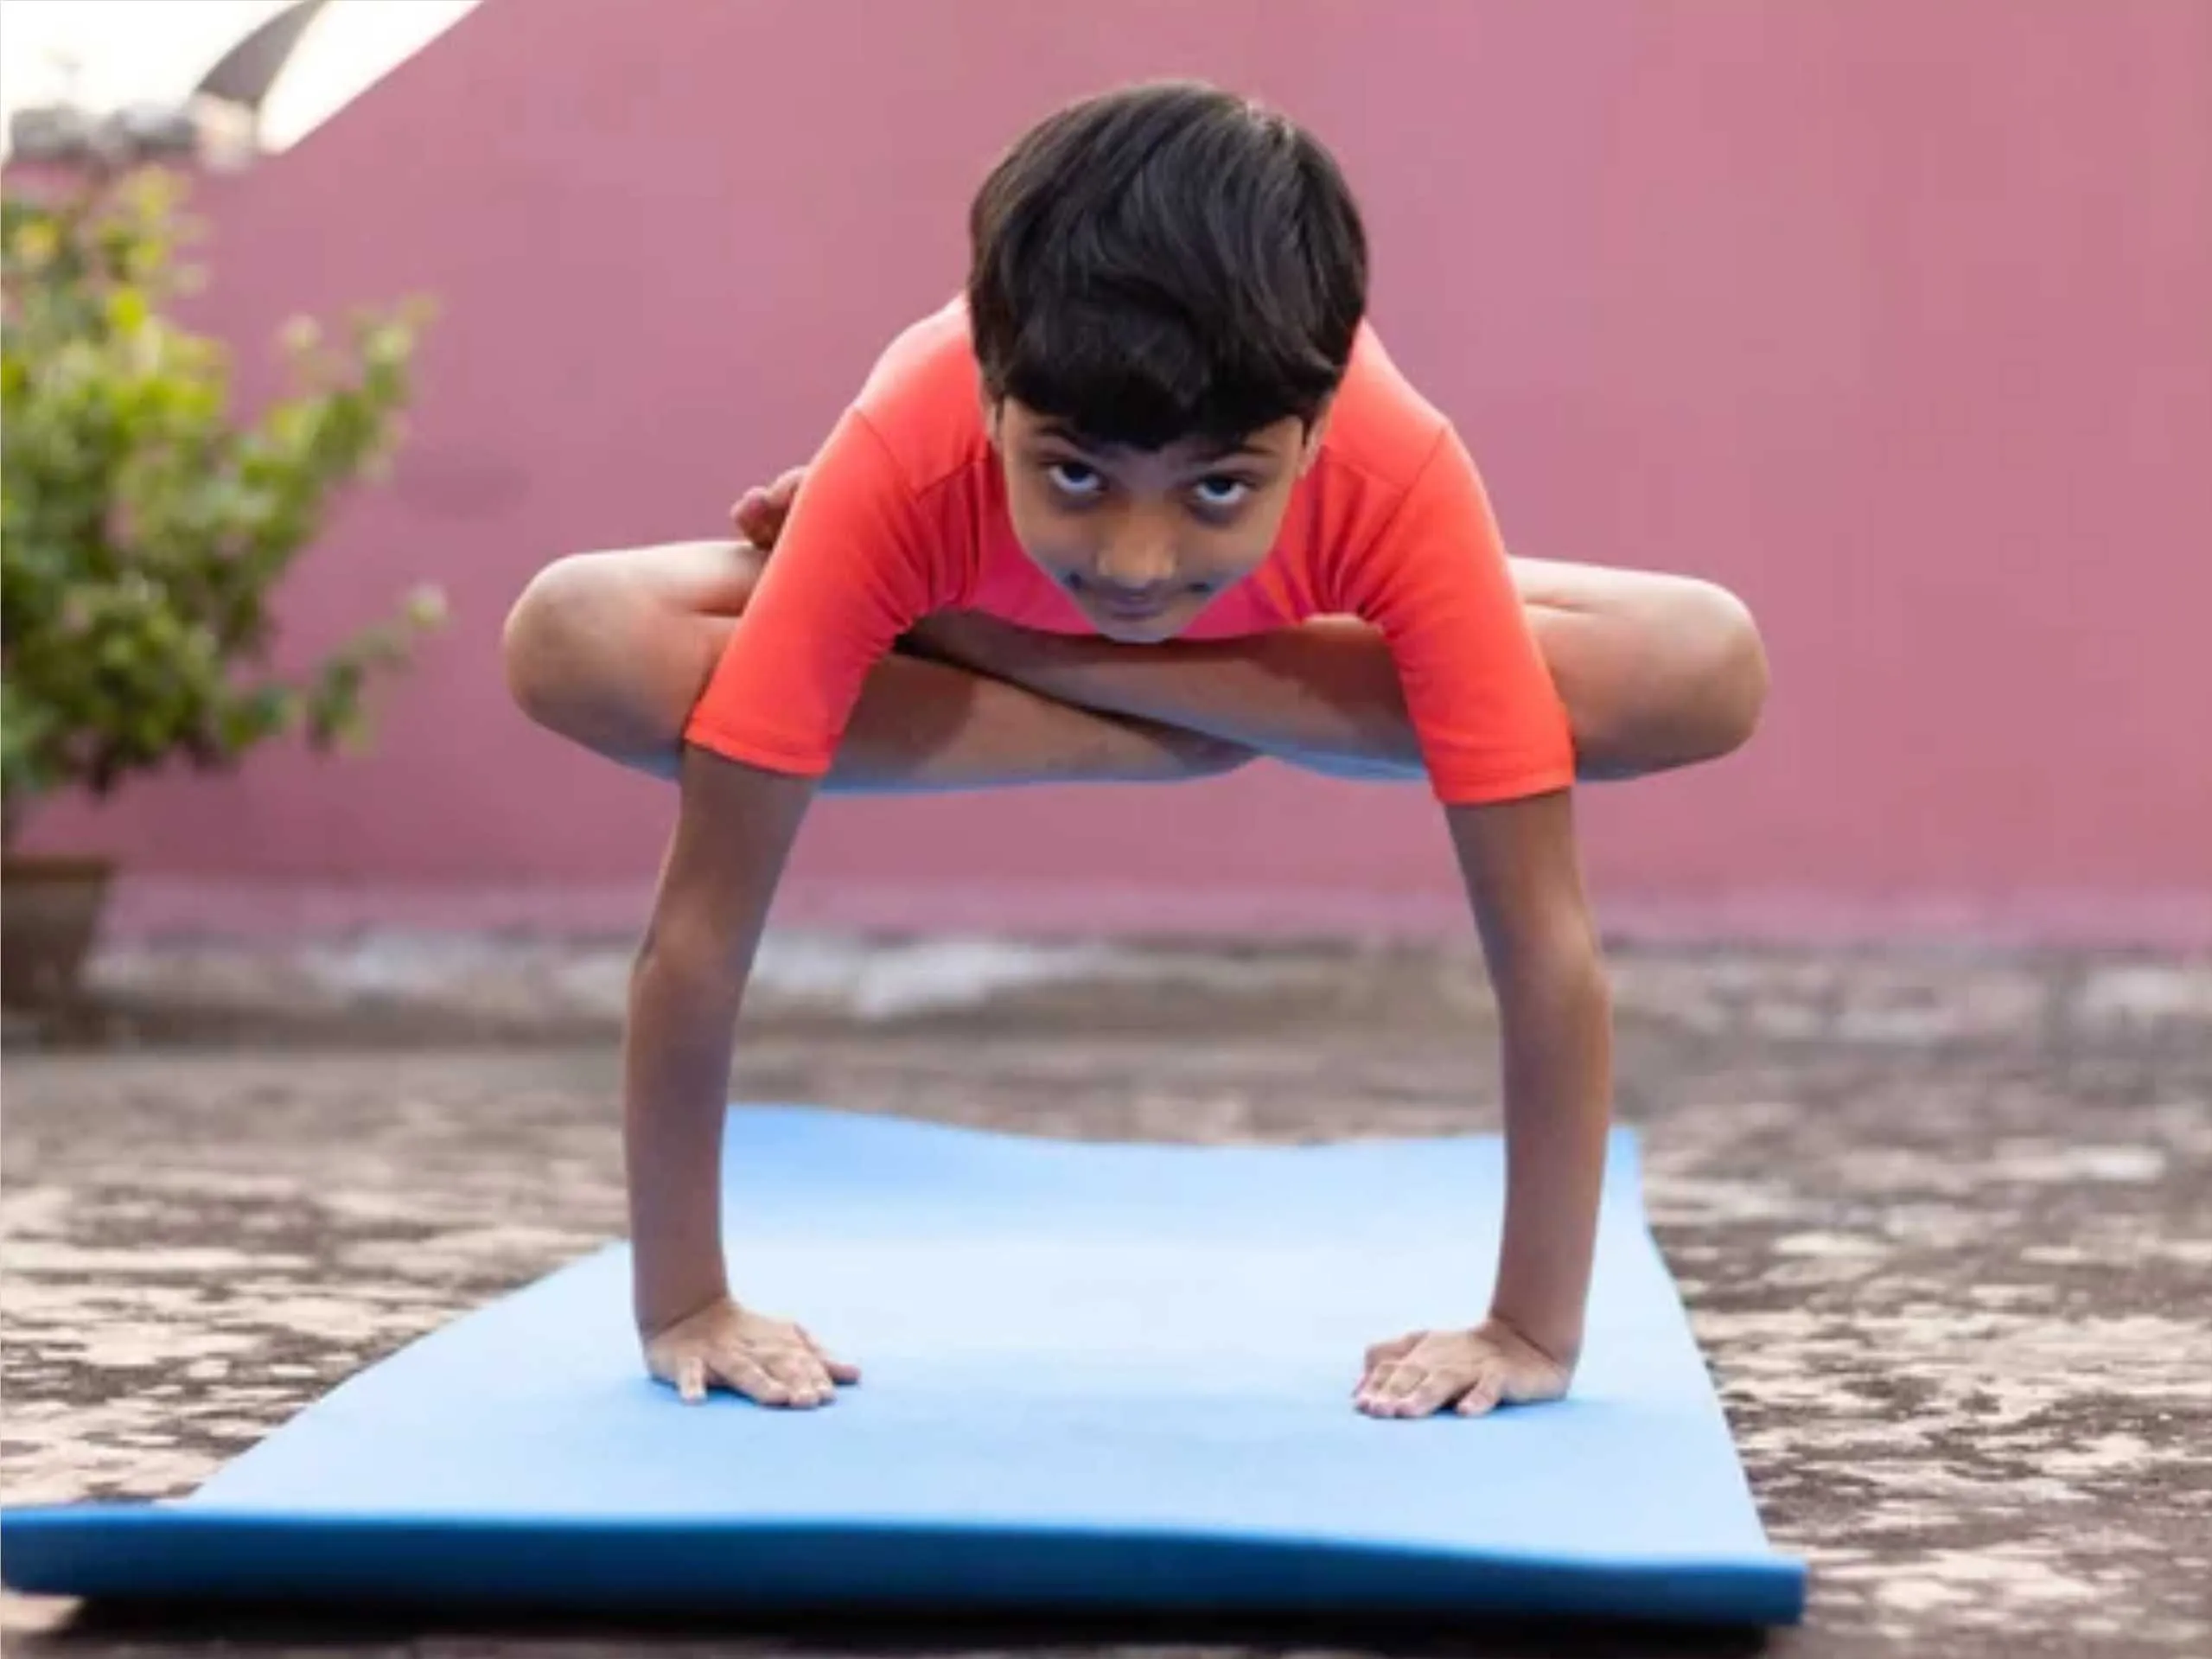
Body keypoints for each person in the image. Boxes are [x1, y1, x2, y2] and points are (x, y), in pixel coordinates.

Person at [501, 80, 1768, 1420]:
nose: (1137, 559)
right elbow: (700, 930)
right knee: (574, 636)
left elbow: (1544, 947)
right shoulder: (903, 454)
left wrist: (1528, 1326)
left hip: (1095, 613)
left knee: (1700, 662)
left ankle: (1035, 653)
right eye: (1073, 476)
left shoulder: (1395, 475)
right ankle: (1171, 708)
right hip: (1171, 622)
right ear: (993, 395)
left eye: (1221, 489)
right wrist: (684, 1298)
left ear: (1316, 428)